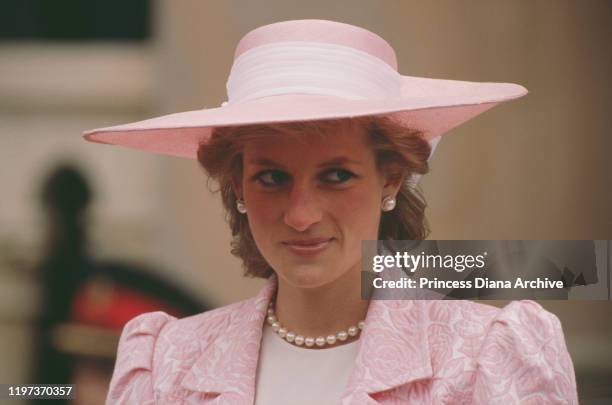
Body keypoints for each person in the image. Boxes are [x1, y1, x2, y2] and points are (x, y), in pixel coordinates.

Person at [84, 19, 577, 404]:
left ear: (391, 177)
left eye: (336, 176)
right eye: (272, 178)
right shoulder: (165, 362)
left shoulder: (484, 355)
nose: (301, 215)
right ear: (237, 186)